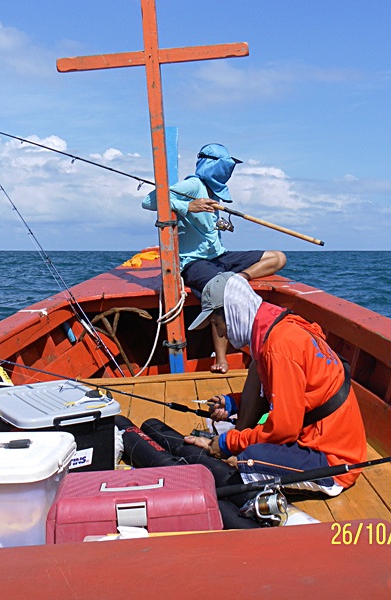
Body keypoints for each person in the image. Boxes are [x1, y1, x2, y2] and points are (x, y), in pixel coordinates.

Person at [183, 271, 367, 495]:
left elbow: (283, 430)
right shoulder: (277, 327)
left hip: (332, 462)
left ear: (232, 312)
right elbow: (287, 392)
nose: (221, 332)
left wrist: (226, 443)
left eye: (217, 323)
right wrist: (234, 403)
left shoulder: (278, 348)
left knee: (246, 458)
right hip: (321, 441)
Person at [142, 143, 286, 373]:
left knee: (278, 258)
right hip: (192, 262)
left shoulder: (213, 191)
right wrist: (188, 206)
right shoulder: (193, 185)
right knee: (220, 291)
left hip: (219, 256)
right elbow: (148, 201)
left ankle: (237, 278)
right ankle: (221, 358)